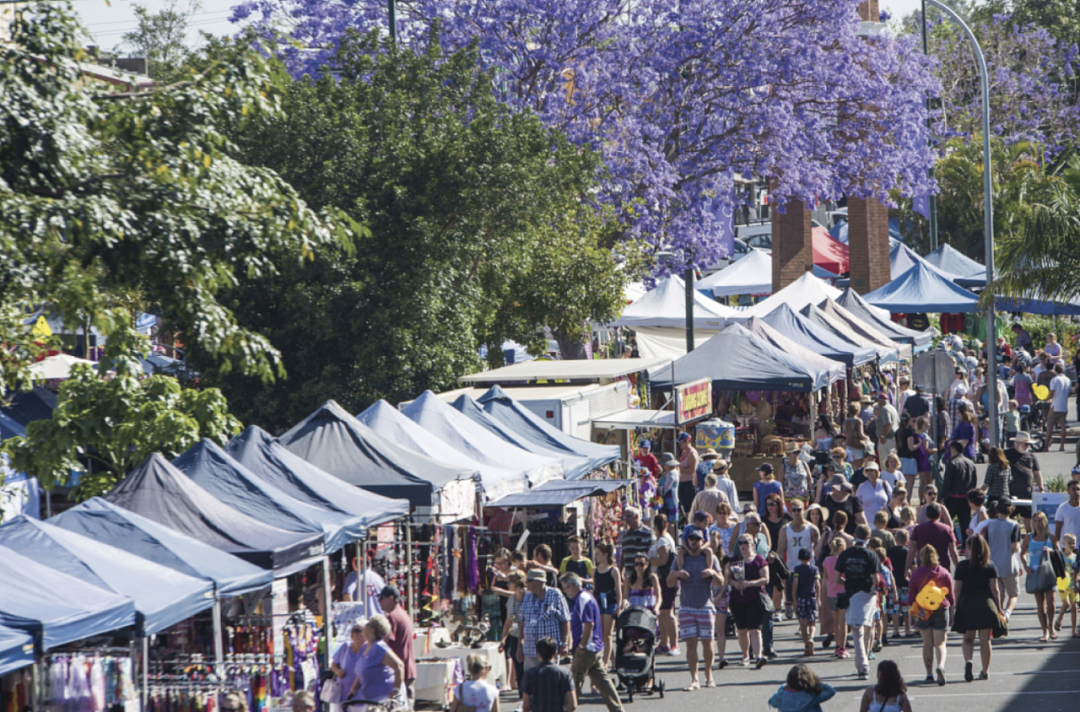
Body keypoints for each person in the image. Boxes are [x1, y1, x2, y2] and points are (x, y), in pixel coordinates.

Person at [559, 573, 623, 712]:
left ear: (571, 585)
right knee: (603, 682)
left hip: (587, 648)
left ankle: (565, 709)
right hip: (592, 647)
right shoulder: (585, 597)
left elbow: (589, 624)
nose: (564, 591)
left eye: (564, 588)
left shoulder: (583, 599)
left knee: (573, 682)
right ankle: (617, 710)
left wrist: (581, 646)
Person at [667, 527, 720, 688]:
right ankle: (694, 679)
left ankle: (709, 674)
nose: (694, 542)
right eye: (691, 539)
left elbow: (721, 582)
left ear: (702, 541)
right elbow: (669, 582)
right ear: (687, 540)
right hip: (686, 605)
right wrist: (676, 575)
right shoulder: (680, 558)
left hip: (706, 605)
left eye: (697, 539)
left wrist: (712, 573)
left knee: (708, 643)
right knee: (690, 643)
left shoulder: (710, 557)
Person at [834, 524, 882, 680]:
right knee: (868, 626)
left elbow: (836, 578)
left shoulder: (844, 554)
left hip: (852, 593)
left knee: (857, 629)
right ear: (868, 538)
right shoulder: (872, 554)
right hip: (868, 593)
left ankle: (862, 665)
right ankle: (865, 658)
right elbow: (875, 579)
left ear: (855, 535)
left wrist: (847, 583)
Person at [952, 534, 1002, 682]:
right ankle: (985, 671)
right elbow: (995, 589)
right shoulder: (990, 565)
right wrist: (998, 607)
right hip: (986, 604)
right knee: (985, 640)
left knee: (968, 639)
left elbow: (957, 589)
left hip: (967, 603)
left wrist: (956, 606)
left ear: (968, 549)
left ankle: (968, 661)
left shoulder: (961, 566)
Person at [907, 545, 954, 686]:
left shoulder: (916, 574)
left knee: (927, 643)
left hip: (922, 611)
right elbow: (950, 596)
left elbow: (911, 597)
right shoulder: (944, 572)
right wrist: (952, 614)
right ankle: (941, 666)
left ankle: (928, 673)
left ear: (921, 557)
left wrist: (912, 616)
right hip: (941, 608)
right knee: (940, 643)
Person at [725, 533, 769, 669]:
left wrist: (750, 583)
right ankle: (745, 656)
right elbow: (727, 578)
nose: (743, 545)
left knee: (755, 629)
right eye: (740, 543)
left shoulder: (759, 560)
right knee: (742, 629)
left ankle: (758, 656)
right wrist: (734, 583)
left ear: (752, 544)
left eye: (745, 543)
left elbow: (766, 579)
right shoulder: (734, 560)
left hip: (754, 598)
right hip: (738, 599)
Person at [516, 570, 571, 671]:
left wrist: (564, 644)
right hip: (530, 650)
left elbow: (565, 620)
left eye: (529, 580)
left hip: (549, 652)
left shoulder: (555, 594)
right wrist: (519, 647)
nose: (526, 583)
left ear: (538, 581)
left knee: (550, 682)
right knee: (531, 683)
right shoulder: (527, 597)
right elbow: (522, 623)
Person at [348, 615, 405, 705]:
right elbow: (363, 671)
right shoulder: (365, 646)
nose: (365, 625)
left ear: (372, 630)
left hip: (383, 700)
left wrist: (396, 691)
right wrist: (354, 688)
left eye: (368, 624)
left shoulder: (379, 647)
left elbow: (399, 666)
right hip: (370, 699)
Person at [779, 501, 819, 619]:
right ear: (791, 512)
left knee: (809, 596)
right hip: (791, 567)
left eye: (799, 509)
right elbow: (780, 549)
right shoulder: (785, 529)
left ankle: (805, 624)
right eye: (794, 510)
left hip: (808, 567)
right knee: (794, 597)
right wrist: (779, 567)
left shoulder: (812, 528)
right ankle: (797, 615)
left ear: (804, 510)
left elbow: (818, 549)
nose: (797, 512)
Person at [377, 585, 416, 706]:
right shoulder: (403, 614)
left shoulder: (392, 617)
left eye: (381, 598)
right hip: (407, 667)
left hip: (398, 670)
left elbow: (384, 643)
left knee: (397, 705)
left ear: (390, 599)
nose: (379, 601)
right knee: (407, 704)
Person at [984, 498, 1022, 620]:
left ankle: (998, 615)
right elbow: (1014, 546)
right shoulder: (1014, 525)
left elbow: (986, 544)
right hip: (1008, 564)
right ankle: (1007, 613)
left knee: (998, 593)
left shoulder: (990, 524)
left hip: (993, 563)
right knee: (1013, 594)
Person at [1023, 512, 1058, 642]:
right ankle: (1045, 631)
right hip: (1035, 572)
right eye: (1035, 521)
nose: (1037, 523)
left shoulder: (1051, 537)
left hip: (1049, 572)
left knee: (1052, 603)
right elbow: (1021, 553)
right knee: (1040, 604)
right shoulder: (1028, 537)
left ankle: (1052, 627)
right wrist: (1025, 566)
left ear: (1045, 522)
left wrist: (1050, 551)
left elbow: (1059, 553)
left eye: (1040, 521)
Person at [647, 513, 679, 655]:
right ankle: (664, 643)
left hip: (666, 579)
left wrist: (648, 562)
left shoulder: (663, 541)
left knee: (667, 612)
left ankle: (674, 644)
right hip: (663, 579)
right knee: (663, 612)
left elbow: (663, 560)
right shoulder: (664, 539)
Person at [520, 637, 575, 712]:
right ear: (555, 652)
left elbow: (526, 706)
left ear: (538, 653)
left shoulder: (530, 673)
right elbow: (572, 704)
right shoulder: (565, 673)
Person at [907, 502, 959, 576]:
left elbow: (911, 551)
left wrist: (906, 568)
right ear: (940, 515)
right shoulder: (947, 529)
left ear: (926, 515)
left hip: (923, 569)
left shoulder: (918, 529)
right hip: (942, 569)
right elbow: (953, 551)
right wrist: (959, 568)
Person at [591, 542, 621, 669]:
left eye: (598, 554)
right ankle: (613, 661)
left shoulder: (614, 570)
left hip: (610, 603)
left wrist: (619, 607)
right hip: (599, 603)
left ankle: (604, 663)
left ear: (605, 554)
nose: (596, 556)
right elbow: (594, 588)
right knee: (602, 633)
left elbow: (618, 590)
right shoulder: (594, 570)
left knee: (607, 634)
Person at [1005, 432, 1043, 529]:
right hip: (1010, 491)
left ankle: (1029, 536)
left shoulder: (1031, 456)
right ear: (1017, 443)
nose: (1027, 446)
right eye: (1025, 444)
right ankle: (1012, 535)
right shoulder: (1006, 454)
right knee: (1009, 514)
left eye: (1028, 444)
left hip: (1026, 491)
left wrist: (1041, 488)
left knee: (1028, 515)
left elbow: (1037, 472)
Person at [942, 441, 977, 537]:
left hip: (953, 498)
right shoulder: (970, 463)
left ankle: (948, 542)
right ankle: (966, 546)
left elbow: (947, 482)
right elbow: (974, 481)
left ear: (954, 449)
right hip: (966, 498)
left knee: (946, 522)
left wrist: (942, 497)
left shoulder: (952, 463)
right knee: (965, 524)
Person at [768, 664, 835, 712]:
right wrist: (815, 683)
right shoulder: (811, 696)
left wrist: (782, 688)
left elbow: (772, 702)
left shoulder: (781, 696)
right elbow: (831, 691)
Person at [791, 548, 820, 656]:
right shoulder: (814, 569)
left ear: (799, 558)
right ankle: (811, 638)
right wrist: (818, 598)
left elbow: (795, 582)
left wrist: (794, 596)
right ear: (810, 558)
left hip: (801, 598)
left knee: (803, 624)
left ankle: (806, 646)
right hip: (811, 597)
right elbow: (817, 583)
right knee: (812, 622)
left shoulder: (797, 569)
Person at [822, 538, 848, 658]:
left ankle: (837, 646)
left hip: (831, 593)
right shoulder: (844, 559)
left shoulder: (827, 560)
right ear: (842, 548)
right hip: (843, 592)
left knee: (836, 622)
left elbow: (826, 576)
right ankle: (843, 647)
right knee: (844, 622)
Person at [331, 624, 366, 705]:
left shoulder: (369, 650)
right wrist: (338, 671)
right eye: (353, 630)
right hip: (341, 696)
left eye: (357, 631)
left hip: (361, 698)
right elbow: (333, 664)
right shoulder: (345, 647)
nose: (353, 633)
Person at [886, 529, 912, 639]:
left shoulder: (889, 551)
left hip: (893, 583)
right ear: (907, 541)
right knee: (905, 608)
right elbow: (912, 566)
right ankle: (907, 629)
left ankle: (895, 630)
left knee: (895, 607)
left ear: (895, 539)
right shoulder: (907, 552)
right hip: (905, 582)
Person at [616, 506, 655, 577]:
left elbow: (653, 554)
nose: (626, 519)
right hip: (629, 576)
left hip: (643, 576)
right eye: (625, 516)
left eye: (629, 516)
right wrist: (620, 571)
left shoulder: (648, 533)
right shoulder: (626, 536)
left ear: (636, 517)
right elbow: (623, 555)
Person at [1054, 533, 1078, 637]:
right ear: (1063, 543)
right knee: (1067, 604)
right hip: (1064, 585)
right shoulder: (1061, 557)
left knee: (1074, 608)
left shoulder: (1076, 557)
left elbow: (1078, 570)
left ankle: (1074, 631)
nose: (1072, 545)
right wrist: (1059, 584)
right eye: (1069, 543)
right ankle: (1059, 619)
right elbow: (1058, 571)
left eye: (1073, 543)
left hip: (1074, 585)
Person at [1047, 363, 1073, 452]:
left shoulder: (1054, 380)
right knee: (1063, 426)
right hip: (1064, 405)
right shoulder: (1068, 380)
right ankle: (1062, 446)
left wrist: (1047, 398)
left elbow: (1052, 392)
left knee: (1049, 425)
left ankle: (1046, 446)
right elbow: (1070, 392)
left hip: (1055, 405)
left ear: (1055, 370)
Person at [677, 432, 700, 523]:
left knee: (689, 507)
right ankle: (686, 524)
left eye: (681, 442)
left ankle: (690, 524)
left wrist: (679, 470)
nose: (680, 444)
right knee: (684, 507)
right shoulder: (684, 452)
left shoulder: (692, 454)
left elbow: (692, 470)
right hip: (682, 482)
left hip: (689, 483)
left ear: (687, 441)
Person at [913, 415, 935, 503]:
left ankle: (921, 500)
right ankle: (927, 499)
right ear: (922, 425)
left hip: (920, 460)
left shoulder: (918, 435)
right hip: (926, 460)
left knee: (922, 482)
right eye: (927, 424)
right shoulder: (925, 436)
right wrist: (934, 450)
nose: (929, 425)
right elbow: (926, 449)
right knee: (928, 482)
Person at [1055, 480, 1080, 556]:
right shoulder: (1062, 508)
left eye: (1078, 489)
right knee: (1069, 568)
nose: (1076, 492)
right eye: (1073, 489)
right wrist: (1056, 548)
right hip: (1068, 548)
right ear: (1068, 491)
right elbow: (1058, 530)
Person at [657, 453, 680, 530]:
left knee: (669, 522)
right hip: (673, 499)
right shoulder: (674, 471)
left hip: (670, 499)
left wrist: (658, 488)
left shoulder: (671, 473)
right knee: (671, 522)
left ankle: (672, 539)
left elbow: (666, 488)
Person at [896, 414, 919, 492]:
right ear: (908, 421)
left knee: (901, 484)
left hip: (899, 459)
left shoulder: (897, 432)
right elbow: (911, 448)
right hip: (909, 460)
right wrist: (919, 443)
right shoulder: (909, 432)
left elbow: (895, 447)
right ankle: (907, 501)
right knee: (909, 485)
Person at [876, 392, 900, 464]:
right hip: (893, 439)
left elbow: (888, 423)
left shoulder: (884, 408)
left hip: (886, 440)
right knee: (892, 463)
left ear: (880, 400)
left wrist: (883, 436)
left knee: (885, 463)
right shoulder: (892, 408)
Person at [843, 402, 869, 468]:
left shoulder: (845, 421)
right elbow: (861, 435)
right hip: (857, 446)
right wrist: (867, 438)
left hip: (848, 445)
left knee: (850, 466)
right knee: (858, 467)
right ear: (857, 411)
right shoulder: (858, 421)